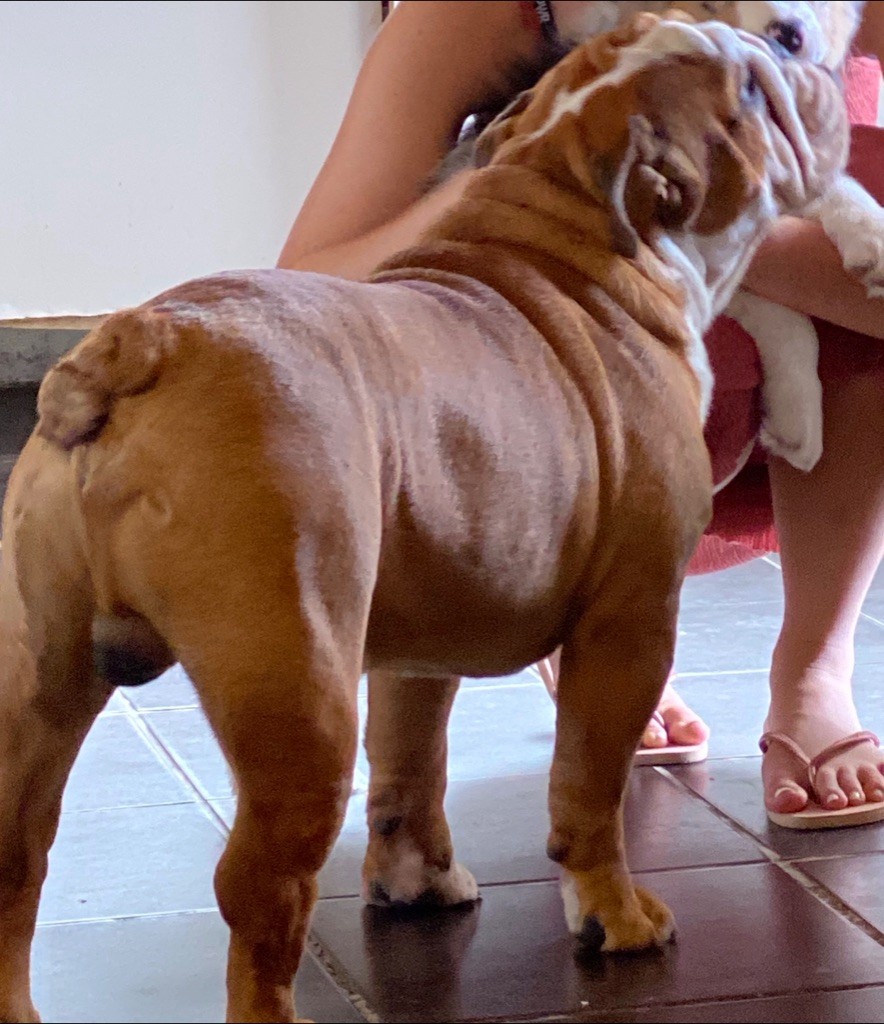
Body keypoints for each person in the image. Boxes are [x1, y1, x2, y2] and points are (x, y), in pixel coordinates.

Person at [278, 0, 884, 827]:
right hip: (550, 397)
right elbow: (309, 288)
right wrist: (522, 180)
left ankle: (816, 666)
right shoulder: (471, 16)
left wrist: (724, 221)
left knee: (864, 179)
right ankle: (582, 613)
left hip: (763, 388)